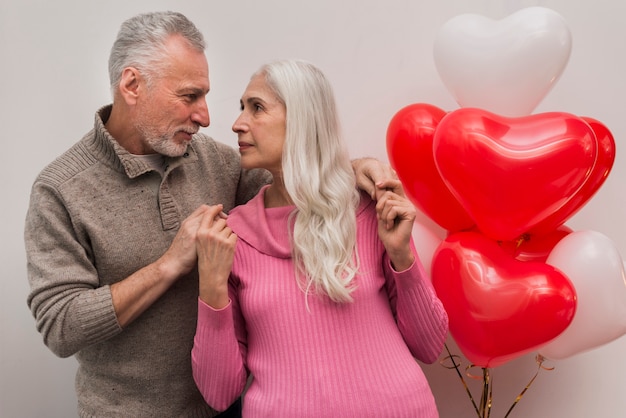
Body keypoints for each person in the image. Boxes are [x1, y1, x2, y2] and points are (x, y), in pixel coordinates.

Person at [24, 12, 394, 418]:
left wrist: (354, 170)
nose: (206, 116)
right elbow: (61, 326)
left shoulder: (220, 163)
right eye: (189, 96)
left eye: (204, 96)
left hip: (230, 406)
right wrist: (168, 265)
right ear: (132, 85)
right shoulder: (59, 190)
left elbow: (298, 186)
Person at [191, 59, 449, 417]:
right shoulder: (232, 238)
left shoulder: (370, 211)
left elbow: (430, 346)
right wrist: (211, 287)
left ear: (302, 118)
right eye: (242, 108)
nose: (237, 123)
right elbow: (219, 394)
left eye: (257, 108)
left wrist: (402, 256)